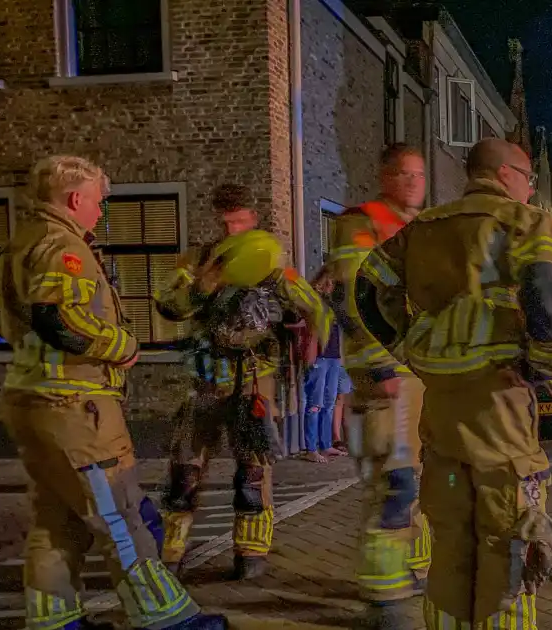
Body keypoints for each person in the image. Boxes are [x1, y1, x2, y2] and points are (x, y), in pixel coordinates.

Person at [354, 137, 552, 628]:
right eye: (528, 178)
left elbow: (367, 287)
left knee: (450, 544)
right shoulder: (527, 222)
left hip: (442, 408)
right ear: (506, 175)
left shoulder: (423, 228)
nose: (532, 189)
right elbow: (549, 296)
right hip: (500, 405)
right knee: (508, 538)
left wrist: (405, 347)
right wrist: (541, 370)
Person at [0, 155, 225, 630]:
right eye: (99, 202)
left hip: (31, 399)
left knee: (57, 521)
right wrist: (120, 345)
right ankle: (169, 620)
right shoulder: (63, 248)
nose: (101, 212)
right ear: (75, 198)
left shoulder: (21, 243)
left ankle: (54, 620)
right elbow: (57, 318)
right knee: (119, 515)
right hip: (75, 407)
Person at [155, 184, 332, 580]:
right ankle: (171, 550)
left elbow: (315, 308)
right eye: (227, 222)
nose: (234, 229)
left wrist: (310, 350)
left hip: (255, 377)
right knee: (185, 466)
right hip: (206, 376)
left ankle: (251, 552)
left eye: (240, 221)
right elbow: (168, 305)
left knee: (253, 467)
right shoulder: (199, 260)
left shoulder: (273, 269)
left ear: (253, 219)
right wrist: (202, 286)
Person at [315, 144, 433, 617]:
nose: (413, 183)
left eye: (419, 174)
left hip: (416, 373)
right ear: (384, 176)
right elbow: (354, 295)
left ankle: (413, 572)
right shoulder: (362, 222)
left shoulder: (417, 229)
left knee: (418, 479)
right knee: (395, 481)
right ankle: (384, 596)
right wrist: (380, 364)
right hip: (386, 374)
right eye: (403, 174)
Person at [300, 320, 347, 462]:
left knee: (329, 404)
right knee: (315, 405)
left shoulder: (335, 304)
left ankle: (325, 445)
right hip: (319, 358)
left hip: (334, 357)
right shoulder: (316, 305)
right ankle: (311, 449)